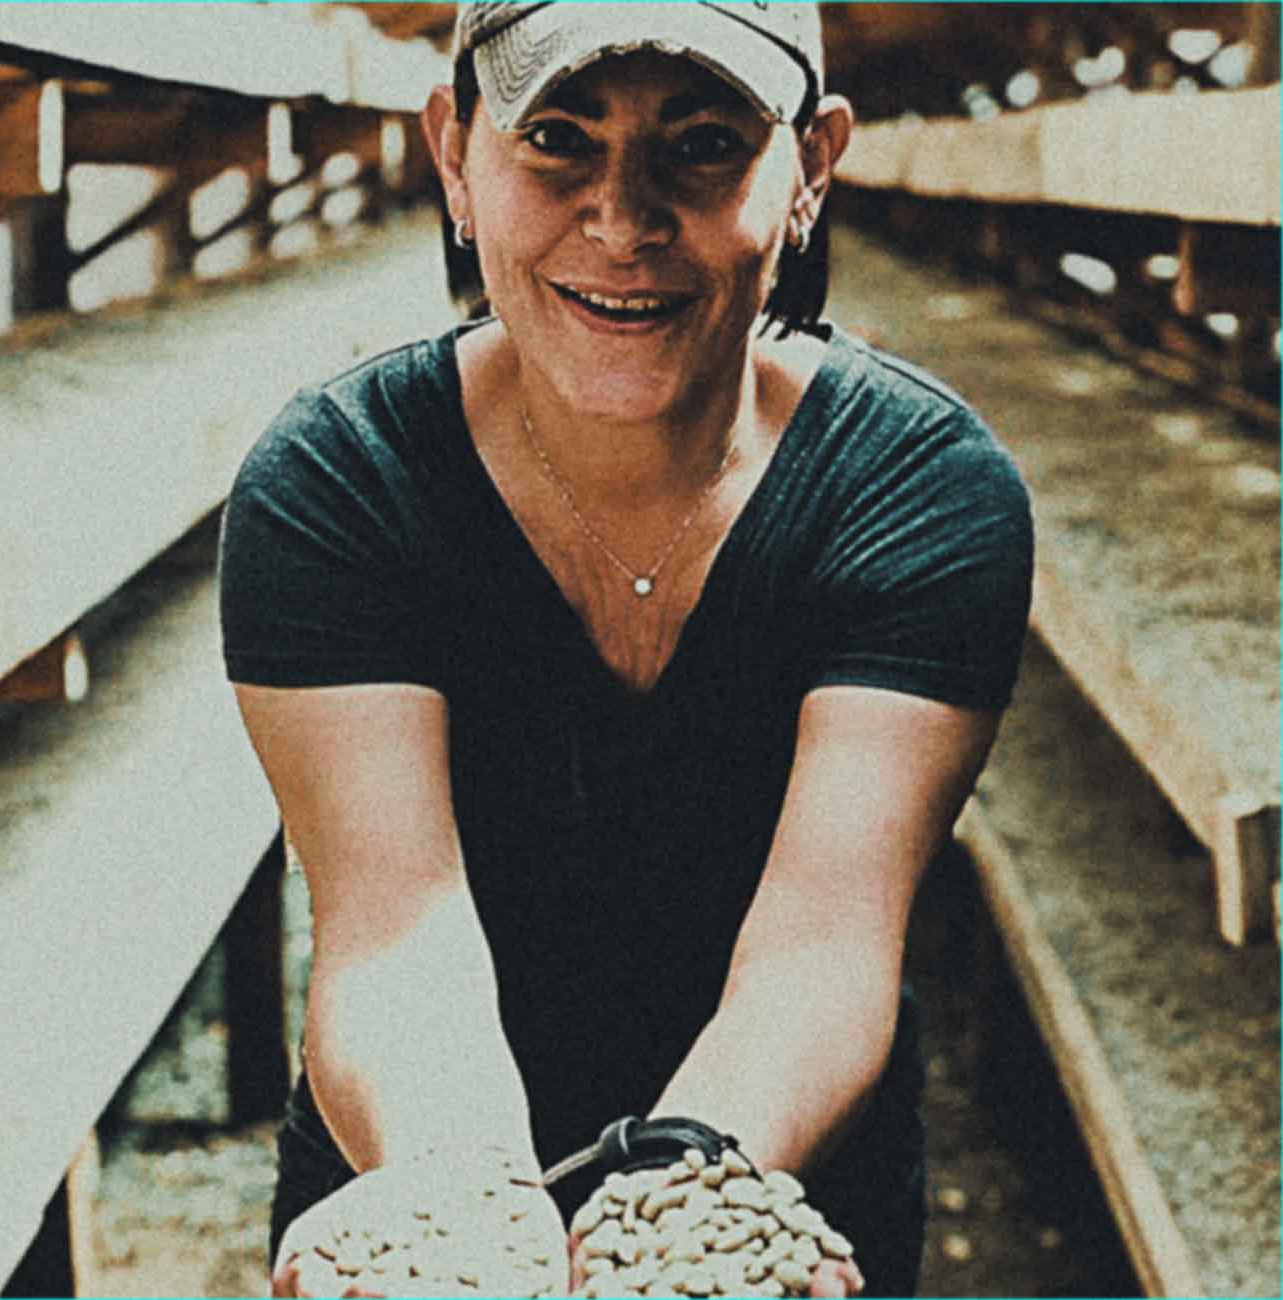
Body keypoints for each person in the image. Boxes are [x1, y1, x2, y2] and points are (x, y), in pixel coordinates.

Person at [218, 3, 1033, 1296]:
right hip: (409, 1148)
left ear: (813, 165)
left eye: (703, 145)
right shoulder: (343, 478)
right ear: (454, 153)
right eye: (556, 138)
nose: (622, 218)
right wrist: (462, 1202)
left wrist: (685, 1188)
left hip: (777, 1171)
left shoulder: (917, 490)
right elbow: (391, 920)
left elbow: (829, 932)